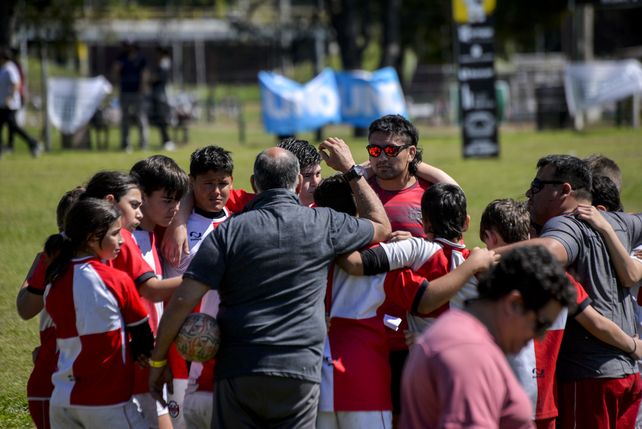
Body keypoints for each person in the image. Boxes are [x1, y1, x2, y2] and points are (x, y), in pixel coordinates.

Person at [149, 138, 391, 427]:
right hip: (299, 370)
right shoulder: (325, 223)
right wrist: (352, 171)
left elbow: (182, 299)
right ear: (299, 182)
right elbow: (381, 226)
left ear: (254, 183)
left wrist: (157, 361)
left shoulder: (228, 231)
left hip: (238, 369)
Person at [313, 175, 496, 429]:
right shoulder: (384, 262)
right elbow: (423, 300)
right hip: (363, 379)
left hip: (313, 378)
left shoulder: (301, 254)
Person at [500, 154, 642, 429]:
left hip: (589, 379)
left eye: (537, 186)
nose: (529, 193)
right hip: (628, 376)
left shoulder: (564, 224)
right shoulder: (619, 222)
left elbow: (548, 252)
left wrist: (485, 257)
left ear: (564, 190)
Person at [400, 246, 577, 429]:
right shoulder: (466, 350)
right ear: (514, 303)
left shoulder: (478, 343)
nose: (539, 337)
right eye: (540, 325)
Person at [363, 114, 460, 419]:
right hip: (372, 331)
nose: (381, 158)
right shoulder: (359, 192)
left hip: (421, 333)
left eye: (391, 150)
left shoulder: (432, 194)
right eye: (375, 150)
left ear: (411, 152)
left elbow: (452, 251)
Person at [162, 145, 253, 428]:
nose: (216, 191)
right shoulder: (170, 223)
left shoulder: (241, 221)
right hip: (180, 348)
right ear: (192, 183)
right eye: (207, 184)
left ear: (232, 182)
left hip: (226, 350)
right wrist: (179, 219)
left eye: (222, 183)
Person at [44, 198, 154, 429]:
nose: (122, 240)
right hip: (107, 400)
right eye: (115, 233)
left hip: (62, 400)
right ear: (92, 237)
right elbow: (144, 338)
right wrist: (141, 354)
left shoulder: (54, 279)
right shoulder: (116, 280)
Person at [16, 186, 85, 429]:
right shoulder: (47, 259)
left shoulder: (111, 257)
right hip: (52, 379)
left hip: (92, 380)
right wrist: (45, 267)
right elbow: (25, 309)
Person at [130, 155, 189, 428]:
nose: (175, 208)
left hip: (151, 355)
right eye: (167, 200)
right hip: (135, 358)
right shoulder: (128, 240)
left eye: (177, 201)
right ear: (141, 197)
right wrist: (207, 277)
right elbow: (151, 291)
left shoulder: (153, 233)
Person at [0, 47, 40, 157]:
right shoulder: (4, 68)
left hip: (10, 104)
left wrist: (10, 97)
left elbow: (16, 84)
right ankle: (8, 147)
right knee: (12, 126)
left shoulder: (10, 68)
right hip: (3, 103)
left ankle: (32, 142)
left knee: (13, 126)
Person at [113, 41, 149, 152]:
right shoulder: (121, 57)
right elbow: (116, 71)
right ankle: (126, 144)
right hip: (125, 91)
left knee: (140, 117)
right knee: (125, 118)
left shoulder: (141, 58)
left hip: (137, 92)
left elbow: (144, 73)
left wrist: (143, 87)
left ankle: (143, 144)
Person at [277, 137, 322, 206]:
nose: (315, 183)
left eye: (318, 174)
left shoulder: (328, 207)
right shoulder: (266, 209)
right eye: (307, 176)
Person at [149, 46, 175, 151]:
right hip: (159, 95)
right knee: (160, 119)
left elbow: (159, 78)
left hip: (162, 96)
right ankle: (165, 140)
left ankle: (167, 141)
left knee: (163, 119)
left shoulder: (165, 63)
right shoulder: (163, 63)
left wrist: (152, 79)